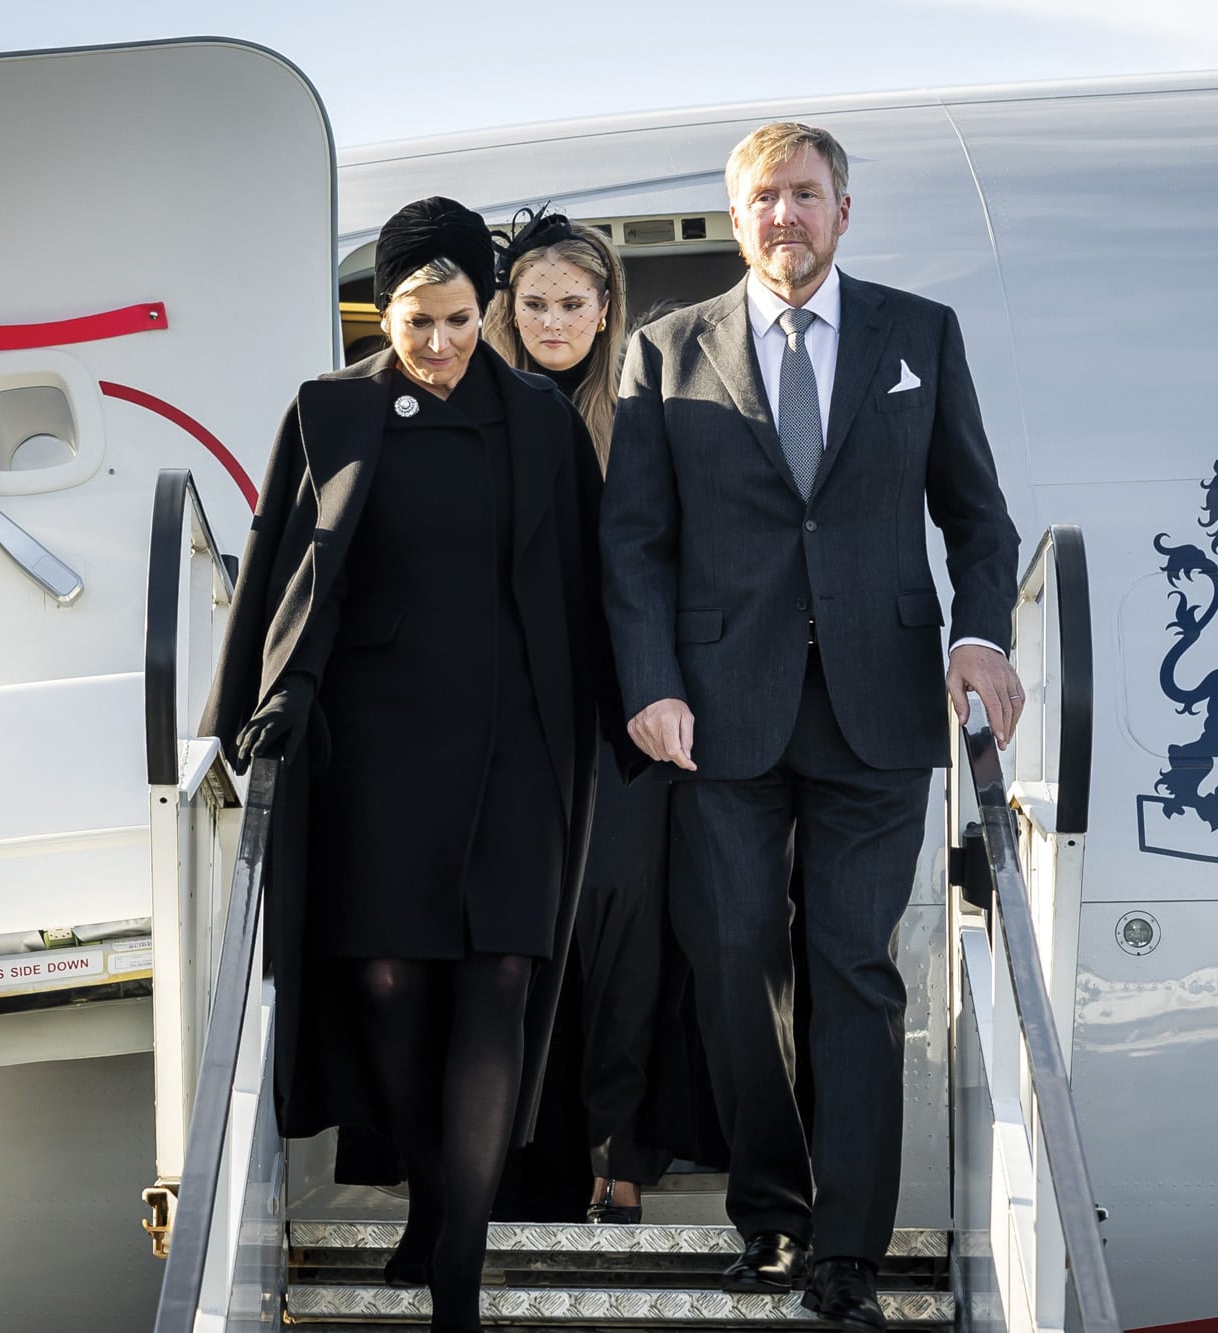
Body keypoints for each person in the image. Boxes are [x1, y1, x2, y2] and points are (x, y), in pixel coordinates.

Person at [600, 123, 1024, 1331]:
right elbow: (631, 541)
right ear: (735, 223)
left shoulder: (917, 335)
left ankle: (844, 1250)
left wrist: (975, 632)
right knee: (734, 963)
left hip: (877, 703)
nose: (783, 216)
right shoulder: (663, 352)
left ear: (844, 209)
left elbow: (975, 519)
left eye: (803, 194)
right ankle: (769, 1209)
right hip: (715, 714)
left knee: (853, 972)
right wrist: (651, 679)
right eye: (761, 200)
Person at [203, 196, 613, 1333]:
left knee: (499, 981)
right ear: (379, 313)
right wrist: (246, 706)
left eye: (457, 318)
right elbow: (278, 569)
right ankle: (435, 1193)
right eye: (414, 320)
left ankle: (457, 1282)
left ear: (485, 306)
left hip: (519, 741)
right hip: (376, 745)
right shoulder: (331, 410)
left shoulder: (537, 418)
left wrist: (637, 706)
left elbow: (592, 577)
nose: (437, 345)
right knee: (386, 983)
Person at [486, 210, 674, 1222]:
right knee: (522, 947)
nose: (554, 319)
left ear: (605, 312)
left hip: (622, 726)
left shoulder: (643, 413)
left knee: (625, 946)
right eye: (535, 303)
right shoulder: (484, 412)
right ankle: (530, 1158)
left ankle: (620, 1148)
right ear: (507, 312)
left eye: (572, 302)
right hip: (514, 730)